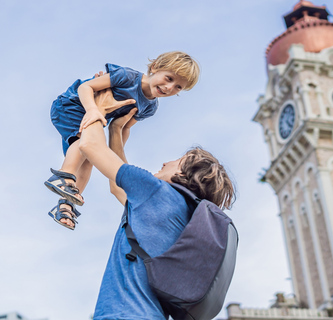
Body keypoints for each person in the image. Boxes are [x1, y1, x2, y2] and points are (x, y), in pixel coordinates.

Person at [77, 87, 235, 319]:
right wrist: (116, 130)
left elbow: (89, 146)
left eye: (177, 160)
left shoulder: (154, 190)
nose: (166, 162)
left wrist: (96, 108)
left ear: (184, 171)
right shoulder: (184, 214)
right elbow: (117, 187)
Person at [44, 51, 200, 230]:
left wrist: (111, 155)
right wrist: (92, 109)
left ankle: (66, 204)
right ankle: (63, 176)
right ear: (156, 67)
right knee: (85, 143)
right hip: (72, 105)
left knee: (89, 158)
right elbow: (85, 88)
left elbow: (124, 127)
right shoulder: (128, 77)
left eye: (178, 87)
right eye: (169, 78)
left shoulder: (149, 107)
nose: (169, 87)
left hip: (94, 117)